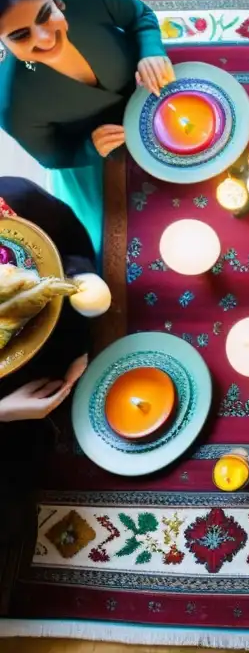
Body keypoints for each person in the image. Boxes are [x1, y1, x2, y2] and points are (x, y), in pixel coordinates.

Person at [0, 0, 175, 258]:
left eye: (45, 14)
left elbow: (140, 16)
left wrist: (150, 51)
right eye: (20, 35)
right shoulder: (10, 104)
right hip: (110, 143)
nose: (44, 38)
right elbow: (52, 156)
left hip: (153, 85)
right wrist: (90, 148)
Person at [0, 177, 105, 544]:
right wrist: (5, 412)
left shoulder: (15, 200)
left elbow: (70, 243)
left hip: (67, 334)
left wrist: (84, 282)